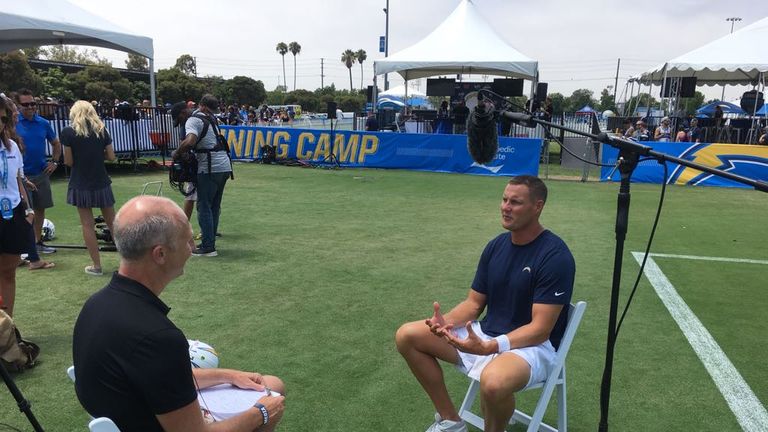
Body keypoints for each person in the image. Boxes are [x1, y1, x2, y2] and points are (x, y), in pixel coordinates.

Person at [72, 196, 285, 431]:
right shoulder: (157, 337)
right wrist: (262, 413)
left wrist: (228, 375)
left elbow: (155, 377)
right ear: (160, 254)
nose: (192, 249)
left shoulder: (96, 304)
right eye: (187, 241)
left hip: (131, 415)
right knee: (272, 397)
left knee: (270, 384)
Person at [395, 176, 575, 432]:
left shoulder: (555, 256)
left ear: (538, 207)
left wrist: (492, 347)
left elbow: (540, 329)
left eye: (515, 202)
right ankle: (451, 421)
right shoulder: (496, 246)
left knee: (493, 381)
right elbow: (473, 303)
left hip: (532, 347)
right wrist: (444, 323)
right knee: (408, 335)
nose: (506, 207)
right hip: (486, 335)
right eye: (504, 200)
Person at [61, 101, 117, 276]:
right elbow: (111, 156)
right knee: (113, 223)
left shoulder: (68, 132)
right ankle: (130, 263)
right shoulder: (102, 130)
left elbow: (69, 162)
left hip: (80, 182)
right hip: (101, 181)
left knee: (87, 224)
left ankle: (97, 265)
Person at [1, 94, 54, 271]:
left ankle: (29, 255)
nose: (14, 116)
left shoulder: (12, 141)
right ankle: (32, 257)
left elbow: (15, 169)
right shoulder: (10, 135)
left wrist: (23, 181)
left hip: (17, 190)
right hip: (12, 193)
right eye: (12, 113)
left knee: (28, 218)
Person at [178, 94, 232, 257]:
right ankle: (210, 242)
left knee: (204, 206)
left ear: (201, 105)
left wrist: (177, 152)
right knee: (214, 206)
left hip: (209, 167)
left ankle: (208, 246)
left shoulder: (194, 119)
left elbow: (191, 141)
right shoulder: (213, 119)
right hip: (224, 165)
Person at [0, 96, 36, 318]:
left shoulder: (11, 146)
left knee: (8, 274)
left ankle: (6, 329)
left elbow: (17, 179)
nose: (0, 123)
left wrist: (29, 211)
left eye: (3, 119)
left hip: (11, 214)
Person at [15, 88, 61, 254]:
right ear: (18, 106)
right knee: (24, 212)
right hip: (20, 176)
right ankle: (24, 246)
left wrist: (54, 162)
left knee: (40, 208)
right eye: (26, 104)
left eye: (33, 103)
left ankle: (37, 242)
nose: (30, 107)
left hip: (41, 174)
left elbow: (56, 143)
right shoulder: (13, 123)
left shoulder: (43, 123)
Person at [171, 102, 197, 221]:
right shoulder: (186, 122)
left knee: (199, 197)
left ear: (182, 113)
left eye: (179, 118)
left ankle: (207, 230)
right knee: (190, 195)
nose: (180, 122)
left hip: (201, 163)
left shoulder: (192, 120)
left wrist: (177, 153)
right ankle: (184, 225)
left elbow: (188, 143)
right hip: (194, 163)